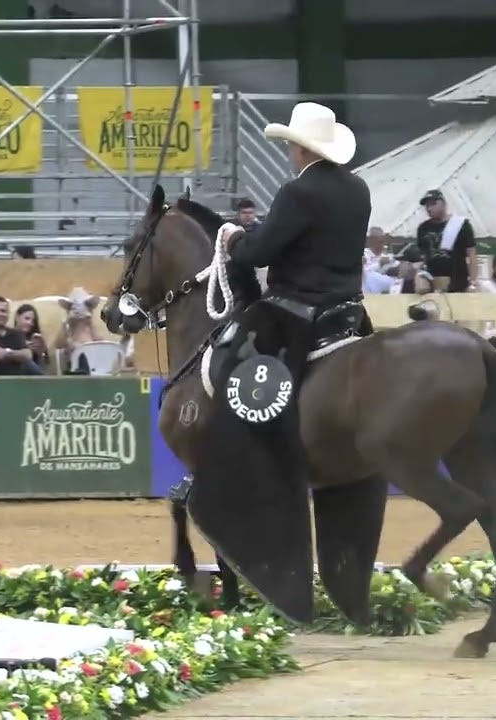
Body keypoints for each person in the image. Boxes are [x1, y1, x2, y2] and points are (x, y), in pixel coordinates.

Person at [200, 102, 374, 621]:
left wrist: (234, 238)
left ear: (302, 147)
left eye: (289, 146)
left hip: (297, 309)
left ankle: (250, 458)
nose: (288, 153)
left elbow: (261, 252)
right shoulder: (357, 188)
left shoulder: (299, 189)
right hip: (348, 311)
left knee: (232, 357)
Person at [414, 189, 477, 292]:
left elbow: (471, 255)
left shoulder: (461, 224)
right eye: (427, 205)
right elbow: (423, 257)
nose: (429, 208)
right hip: (432, 281)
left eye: (433, 204)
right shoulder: (423, 228)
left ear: (444, 204)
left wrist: (473, 282)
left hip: (457, 279)